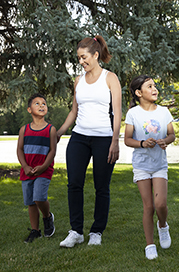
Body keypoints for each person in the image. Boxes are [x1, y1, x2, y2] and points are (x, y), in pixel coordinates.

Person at [57, 35, 122, 248]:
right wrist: (60, 132)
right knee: (74, 183)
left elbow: (118, 112)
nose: (81, 61)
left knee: (101, 187)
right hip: (79, 137)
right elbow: (74, 111)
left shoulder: (110, 78)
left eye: (84, 57)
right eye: (78, 58)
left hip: (104, 138)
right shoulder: (78, 80)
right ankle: (76, 231)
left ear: (95, 55)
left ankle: (96, 231)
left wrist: (115, 141)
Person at [124, 75, 175, 260]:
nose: (155, 89)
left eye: (155, 86)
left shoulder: (163, 112)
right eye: (150, 86)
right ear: (139, 93)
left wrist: (164, 141)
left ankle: (163, 226)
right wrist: (143, 143)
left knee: (160, 204)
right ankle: (150, 244)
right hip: (141, 166)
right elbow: (128, 139)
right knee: (148, 207)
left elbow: (172, 134)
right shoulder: (133, 114)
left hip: (159, 164)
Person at [17, 93, 56, 243]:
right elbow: (19, 149)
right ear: (29, 109)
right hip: (27, 171)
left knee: (39, 197)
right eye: (37, 104)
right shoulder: (24, 129)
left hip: (44, 170)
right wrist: (25, 166)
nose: (41, 106)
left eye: (44, 104)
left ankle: (47, 217)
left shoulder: (50, 129)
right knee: (30, 202)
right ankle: (35, 231)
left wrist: (43, 166)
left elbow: (52, 150)